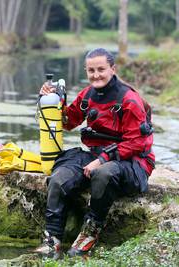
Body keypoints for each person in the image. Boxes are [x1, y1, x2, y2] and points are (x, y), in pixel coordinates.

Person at [34, 48, 155, 259]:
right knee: (59, 176)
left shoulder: (129, 100)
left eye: (101, 69)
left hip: (133, 162)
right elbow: (68, 122)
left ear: (112, 69)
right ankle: (52, 238)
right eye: (91, 70)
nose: (96, 75)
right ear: (86, 71)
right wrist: (52, 100)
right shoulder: (87, 95)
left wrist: (101, 160)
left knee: (103, 173)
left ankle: (90, 231)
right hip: (98, 155)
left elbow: (137, 142)